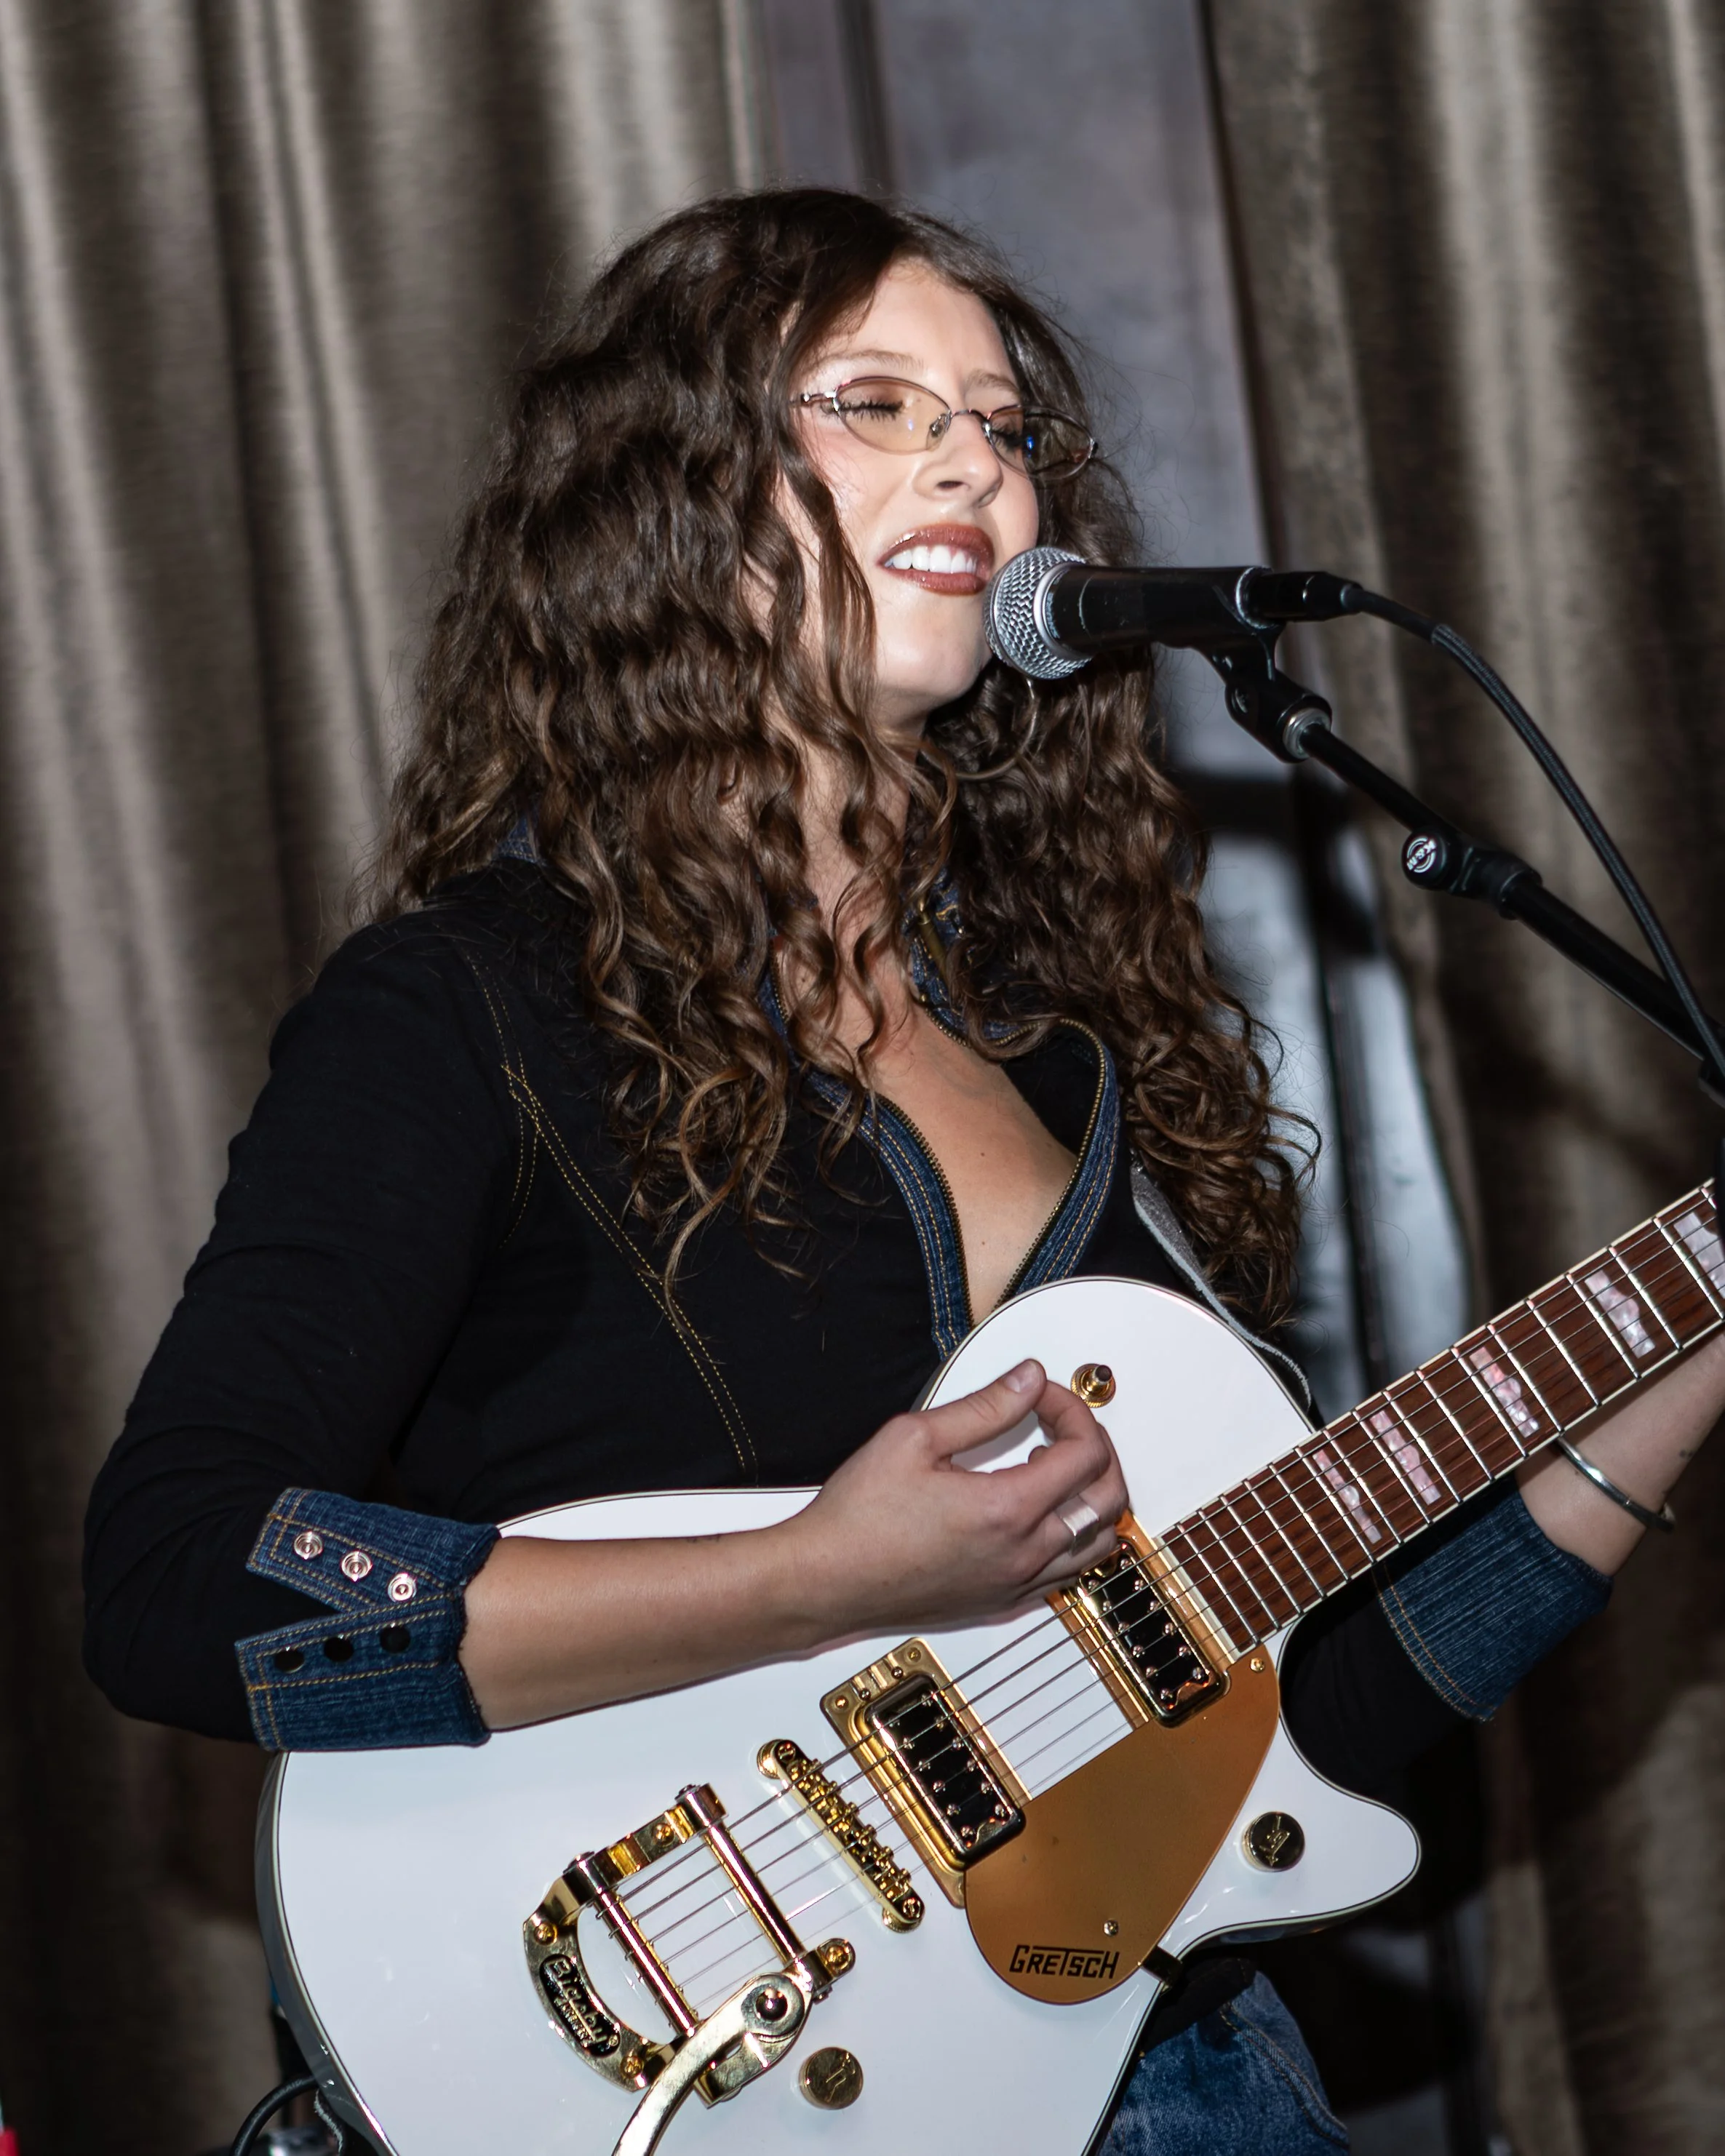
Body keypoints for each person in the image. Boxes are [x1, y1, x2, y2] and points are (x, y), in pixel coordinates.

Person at [82, 189, 1725, 2155]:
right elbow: (178, 1570)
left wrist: (1694, 1338)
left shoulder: (1072, 1046)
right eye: (875, 404)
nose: (974, 463)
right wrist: (819, 1581)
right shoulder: (468, 1006)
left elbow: (1326, 1714)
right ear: (669, 496)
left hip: (1199, 2089)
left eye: (1004, 426)